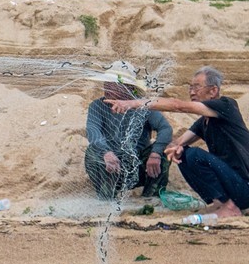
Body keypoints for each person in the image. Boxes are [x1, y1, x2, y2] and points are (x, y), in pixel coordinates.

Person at [107, 65, 248, 219]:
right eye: (190, 87)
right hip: (234, 188)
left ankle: (229, 207)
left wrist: (131, 103)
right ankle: (220, 203)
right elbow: (178, 143)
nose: (192, 91)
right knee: (183, 154)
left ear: (213, 91)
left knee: (194, 153)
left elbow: (178, 106)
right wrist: (175, 149)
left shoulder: (226, 106)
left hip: (244, 187)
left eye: (197, 87)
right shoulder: (204, 122)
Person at [84, 60, 171, 199]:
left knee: (165, 150)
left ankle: (151, 197)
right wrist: (106, 153)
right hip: (111, 166)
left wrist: (155, 154)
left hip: (140, 165)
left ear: (128, 87)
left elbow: (165, 129)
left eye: (112, 83)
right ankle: (106, 196)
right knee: (92, 151)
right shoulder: (97, 106)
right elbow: (92, 131)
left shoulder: (142, 105)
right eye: (106, 82)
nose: (106, 86)